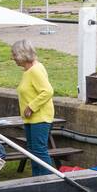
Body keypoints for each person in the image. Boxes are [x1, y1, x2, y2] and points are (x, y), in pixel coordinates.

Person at [12, 38, 55, 176]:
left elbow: (48, 91)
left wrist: (31, 107)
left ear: (22, 54)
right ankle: (36, 180)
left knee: (39, 151)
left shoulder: (35, 70)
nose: (13, 58)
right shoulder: (29, 70)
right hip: (31, 119)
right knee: (33, 152)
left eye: (14, 55)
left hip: (40, 117)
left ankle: (50, 180)